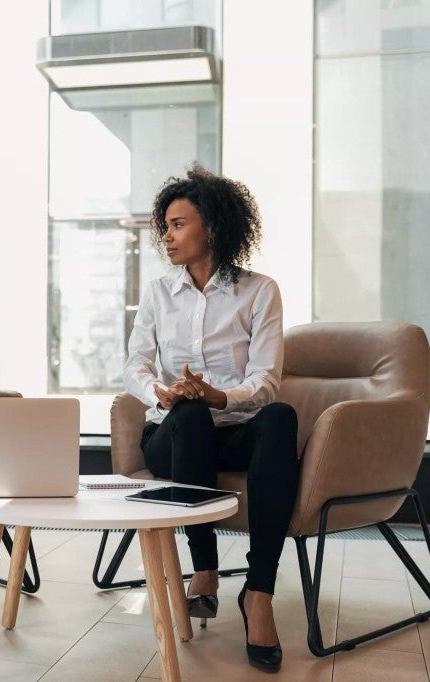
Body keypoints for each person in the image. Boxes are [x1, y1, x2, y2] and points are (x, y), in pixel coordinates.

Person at [122, 165, 299, 673]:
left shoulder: (259, 290)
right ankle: (204, 567)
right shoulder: (157, 292)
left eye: (178, 224)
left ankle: (258, 592)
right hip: (172, 433)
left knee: (281, 417)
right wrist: (162, 390)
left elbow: (266, 381)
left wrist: (218, 394)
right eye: (165, 225)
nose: (166, 236)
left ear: (214, 228)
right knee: (192, 414)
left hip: (233, 426)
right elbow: (135, 363)